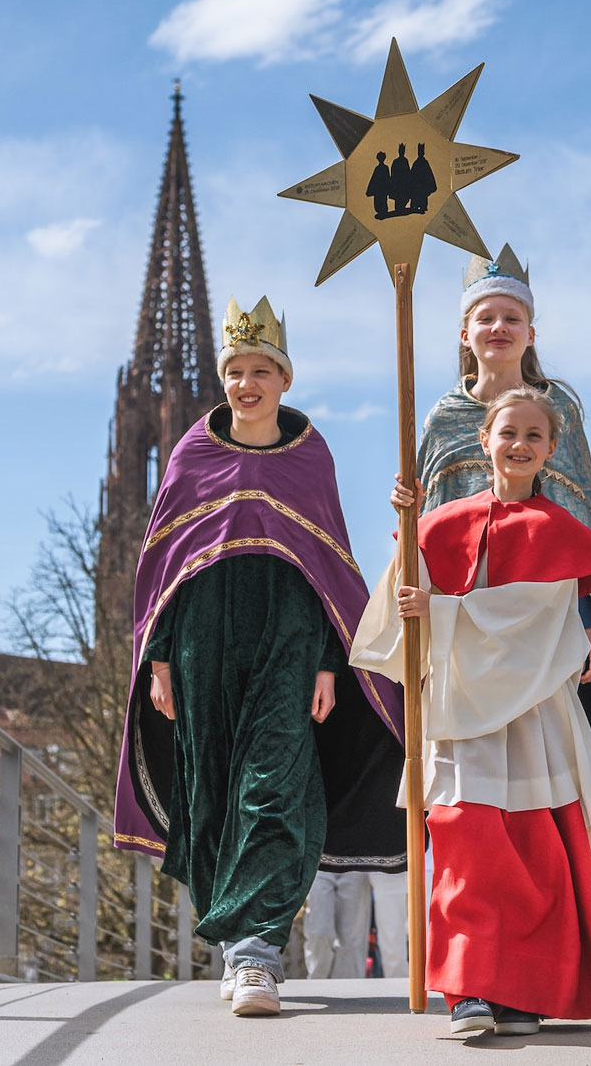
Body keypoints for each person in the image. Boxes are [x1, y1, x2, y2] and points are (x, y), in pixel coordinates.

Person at [112, 295, 406, 1018]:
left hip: (289, 640)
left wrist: (331, 663)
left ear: (284, 378)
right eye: (236, 371)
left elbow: (331, 566)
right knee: (212, 790)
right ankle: (238, 938)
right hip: (202, 643)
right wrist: (157, 658)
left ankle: (257, 954)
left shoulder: (310, 457)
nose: (247, 383)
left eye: (261, 370)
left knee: (275, 784)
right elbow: (162, 568)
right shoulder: (192, 454)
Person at [355, 387, 591, 1038]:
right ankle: (470, 988)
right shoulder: (442, 522)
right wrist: (409, 534)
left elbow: (533, 625)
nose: (520, 444)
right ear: (484, 440)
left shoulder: (558, 534)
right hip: (461, 708)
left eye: (535, 435)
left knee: (534, 856)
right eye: (509, 432)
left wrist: (442, 612)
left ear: (552, 450)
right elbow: (401, 603)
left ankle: (521, 991)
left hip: (531, 714)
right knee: (466, 845)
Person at [401, 245, 591, 743]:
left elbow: (577, 524)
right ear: (465, 334)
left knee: (542, 750)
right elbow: (429, 525)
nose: (499, 328)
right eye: (486, 318)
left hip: (540, 614)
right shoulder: (443, 418)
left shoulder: (555, 408)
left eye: (512, 318)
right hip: (466, 614)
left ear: (529, 333)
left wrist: (586, 620)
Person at [303, 870, 374, 979]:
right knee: (319, 932)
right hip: (319, 865)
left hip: (356, 864)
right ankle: (316, 986)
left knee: (351, 940)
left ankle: (350, 991)